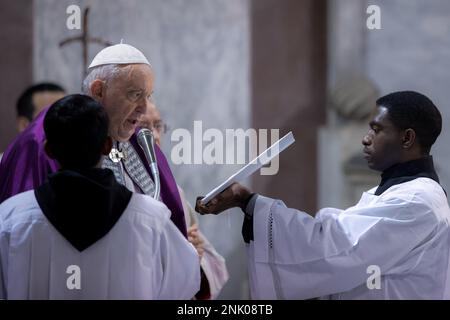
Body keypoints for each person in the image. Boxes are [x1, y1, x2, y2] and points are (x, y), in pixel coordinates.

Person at [196, 91, 450, 300]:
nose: (365, 139)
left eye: (377, 129)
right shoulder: (398, 193)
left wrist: (248, 201)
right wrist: (248, 203)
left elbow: (336, 245)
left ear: (407, 138)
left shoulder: (416, 201)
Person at [0, 94, 200, 299]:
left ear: (47, 149)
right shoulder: (151, 220)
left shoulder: (10, 219)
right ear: (107, 145)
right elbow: (184, 282)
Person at [0, 44, 187, 242]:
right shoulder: (48, 134)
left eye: (148, 96)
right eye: (135, 94)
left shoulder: (137, 138)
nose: (144, 108)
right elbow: (22, 234)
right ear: (98, 90)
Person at [140, 103, 229, 299]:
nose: (154, 136)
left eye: (158, 126)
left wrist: (195, 255)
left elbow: (213, 264)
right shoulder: (123, 189)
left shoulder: (174, 192)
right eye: (144, 128)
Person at [0, 82, 65, 162]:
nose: (63, 122)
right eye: (50, 115)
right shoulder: (5, 169)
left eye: (67, 113)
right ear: (23, 125)